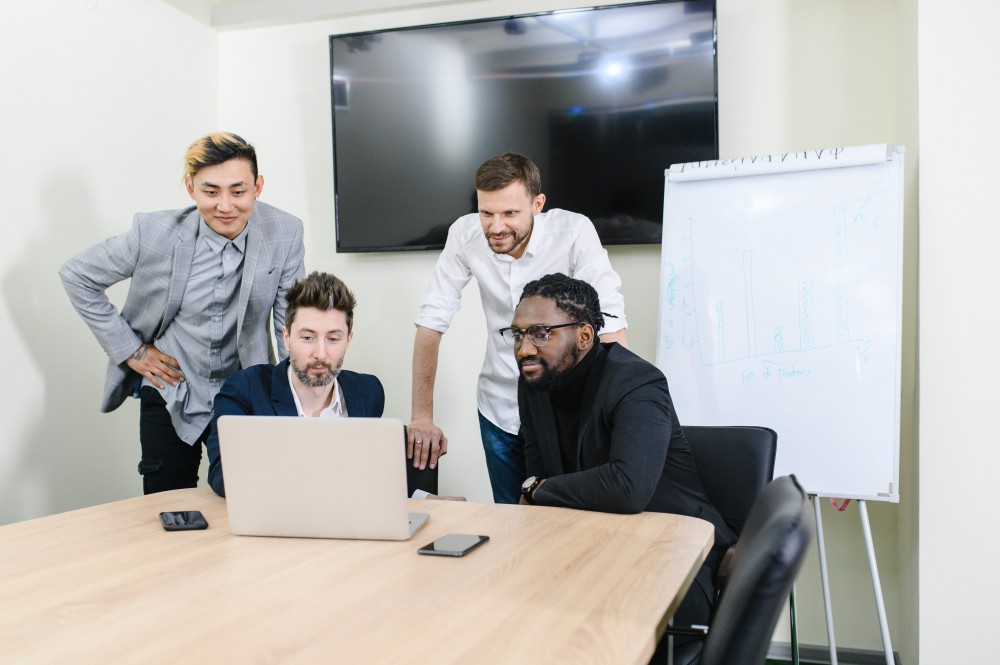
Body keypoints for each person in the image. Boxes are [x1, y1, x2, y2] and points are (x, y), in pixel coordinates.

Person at [60, 132, 305, 494]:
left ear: (257, 187)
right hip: (171, 390)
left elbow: (291, 323)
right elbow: (77, 275)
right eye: (211, 192)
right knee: (169, 507)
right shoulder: (152, 233)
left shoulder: (285, 232)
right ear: (191, 188)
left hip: (244, 390)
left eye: (238, 191)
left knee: (250, 497)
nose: (225, 205)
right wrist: (132, 351)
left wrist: (294, 400)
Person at [508, 273, 736, 632]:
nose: (524, 349)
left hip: (675, 556)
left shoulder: (636, 382)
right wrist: (538, 489)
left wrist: (538, 488)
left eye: (540, 333)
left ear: (585, 336)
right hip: (595, 548)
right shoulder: (535, 383)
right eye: (517, 334)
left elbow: (628, 487)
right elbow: (537, 480)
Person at [410, 152, 628, 504]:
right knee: (512, 520)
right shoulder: (464, 234)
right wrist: (421, 416)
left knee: (571, 518)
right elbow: (431, 323)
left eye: (510, 213)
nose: (496, 227)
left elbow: (610, 323)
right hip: (499, 407)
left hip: (565, 408)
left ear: (537, 204)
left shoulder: (573, 232)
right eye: (486, 213)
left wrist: (622, 417)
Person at [204, 271, 383, 497]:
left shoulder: (369, 392)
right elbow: (223, 476)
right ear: (287, 338)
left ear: (348, 340)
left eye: (333, 339)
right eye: (307, 337)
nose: (320, 353)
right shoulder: (244, 390)